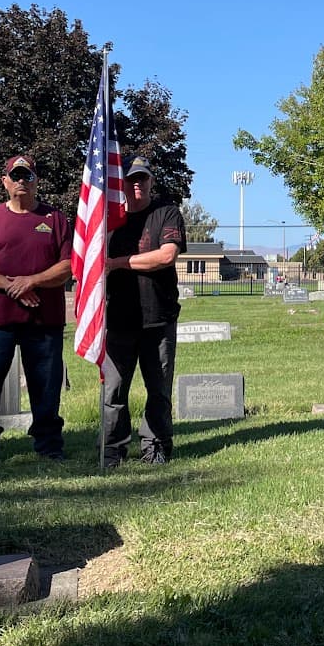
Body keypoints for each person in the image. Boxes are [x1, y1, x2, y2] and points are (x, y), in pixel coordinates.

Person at [0, 154, 74, 464]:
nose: (22, 181)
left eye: (28, 175)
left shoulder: (55, 219)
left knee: (46, 384)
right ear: (5, 182)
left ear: (37, 181)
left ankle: (49, 445)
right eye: (16, 176)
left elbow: (68, 265)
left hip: (44, 320)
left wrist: (32, 281)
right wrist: (10, 286)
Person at [100, 156, 187, 467]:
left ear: (151, 181)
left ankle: (155, 447)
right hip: (118, 319)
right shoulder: (108, 219)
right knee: (113, 391)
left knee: (158, 390)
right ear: (121, 183)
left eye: (142, 178)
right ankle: (112, 449)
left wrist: (117, 263)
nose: (137, 183)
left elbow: (166, 256)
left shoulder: (166, 212)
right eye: (131, 178)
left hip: (158, 318)